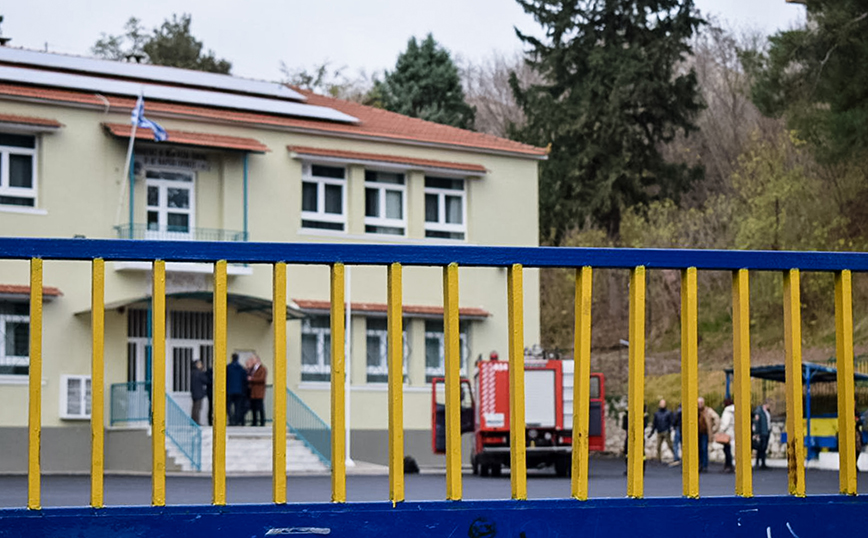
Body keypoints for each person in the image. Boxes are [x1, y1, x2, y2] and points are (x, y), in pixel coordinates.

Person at [698, 397, 720, 473]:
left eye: (701, 403)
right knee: (698, 450)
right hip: (697, 434)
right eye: (698, 403)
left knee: (704, 449)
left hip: (704, 433)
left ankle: (704, 465)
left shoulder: (708, 411)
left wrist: (714, 429)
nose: (700, 404)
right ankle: (699, 465)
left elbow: (717, 418)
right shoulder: (695, 411)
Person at [227, 353, 248, 426]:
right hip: (239, 391)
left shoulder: (228, 368)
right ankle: (236, 421)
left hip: (229, 391)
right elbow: (245, 380)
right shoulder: (241, 368)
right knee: (238, 407)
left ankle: (231, 420)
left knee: (228, 407)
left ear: (232, 358)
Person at [246, 354, 267, 427]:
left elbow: (262, 379)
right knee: (253, 408)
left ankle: (262, 422)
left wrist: (252, 379)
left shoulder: (262, 369)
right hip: (253, 392)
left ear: (257, 360)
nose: (252, 361)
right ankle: (254, 421)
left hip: (259, 392)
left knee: (260, 407)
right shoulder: (253, 369)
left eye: (253, 359)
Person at [752, 399, 771, 470]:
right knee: (761, 448)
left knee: (763, 448)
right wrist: (757, 433)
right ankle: (760, 463)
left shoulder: (766, 412)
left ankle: (762, 463)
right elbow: (757, 422)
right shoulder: (759, 411)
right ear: (766, 404)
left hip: (767, 431)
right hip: (762, 432)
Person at [718, 398, 735, 473]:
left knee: (727, 450)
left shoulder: (727, 411)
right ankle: (730, 465)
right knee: (730, 450)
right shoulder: (735, 410)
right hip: (733, 431)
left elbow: (725, 423)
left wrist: (720, 430)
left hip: (727, 433)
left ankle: (728, 465)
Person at [190, 360, 208, 425]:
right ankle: (196, 422)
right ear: (197, 365)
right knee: (197, 408)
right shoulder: (199, 373)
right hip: (199, 393)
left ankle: (193, 422)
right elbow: (206, 380)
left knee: (194, 408)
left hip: (194, 393)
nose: (202, 365)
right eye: (200, 364)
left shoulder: (193, 372)